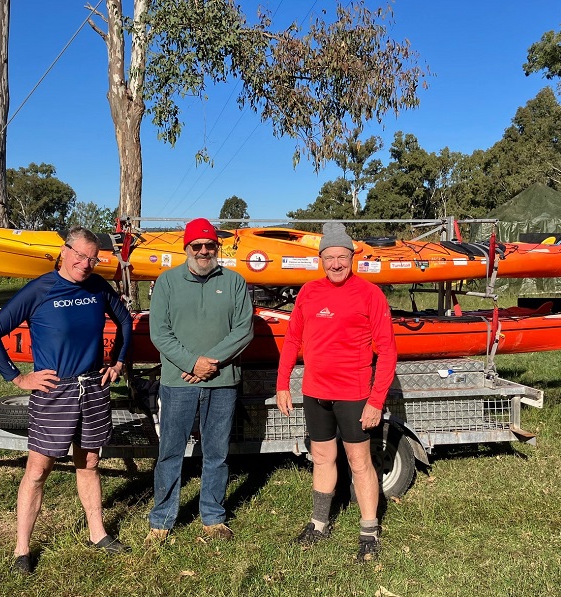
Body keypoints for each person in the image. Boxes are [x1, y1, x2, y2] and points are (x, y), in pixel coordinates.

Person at [0, 226, 133, 574]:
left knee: (90, 462)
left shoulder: (97, 287)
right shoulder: (40, 289)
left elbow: (124, 320)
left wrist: (119, 360)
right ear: (64, 252)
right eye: (80, 256)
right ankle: (22, 549)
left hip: (93, 387)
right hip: (55, 392)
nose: (87, 264)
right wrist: (18, 377)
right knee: (37, 470)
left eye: (93, 259)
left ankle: (98, 534)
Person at [276, 221, 397, 563]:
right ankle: (319, 523)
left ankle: (369, 530)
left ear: (352, 256)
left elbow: (387, 351)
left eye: (341, 256)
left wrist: (376, 401)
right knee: (323, 459)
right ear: (321, 259)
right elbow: (293, 339)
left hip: (354, 394)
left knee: (360, 463)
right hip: (315, 393)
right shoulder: (309, 292)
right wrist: (282, 382)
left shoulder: (370, 294)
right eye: (329, 257)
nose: (336, 264)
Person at [145, 217, 254, 545]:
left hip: (222, 382)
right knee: (170, 451)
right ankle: (161, 521)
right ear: (186, 248)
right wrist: (192, 362)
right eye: (197, 246)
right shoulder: (166, 282)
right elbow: (159, 333)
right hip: (178, 383)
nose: (204, 251)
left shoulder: (234, 282)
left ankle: (213, 517)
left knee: (217, 452)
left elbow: (244, 330)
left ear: (216, 247)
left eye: (209, 245)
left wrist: (211, 363)